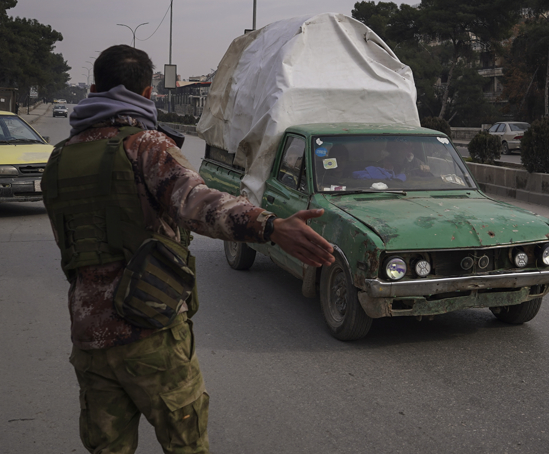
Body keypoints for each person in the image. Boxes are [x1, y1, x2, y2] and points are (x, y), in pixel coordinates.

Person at [42, 45, 334, 454]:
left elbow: (69, 246)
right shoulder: (145, 146)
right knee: (186, 445)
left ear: (93, 89)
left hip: (89, 337)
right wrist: (271, 225)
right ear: (147, 94)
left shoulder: (59, 158)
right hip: (149, 330)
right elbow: (200, 205)